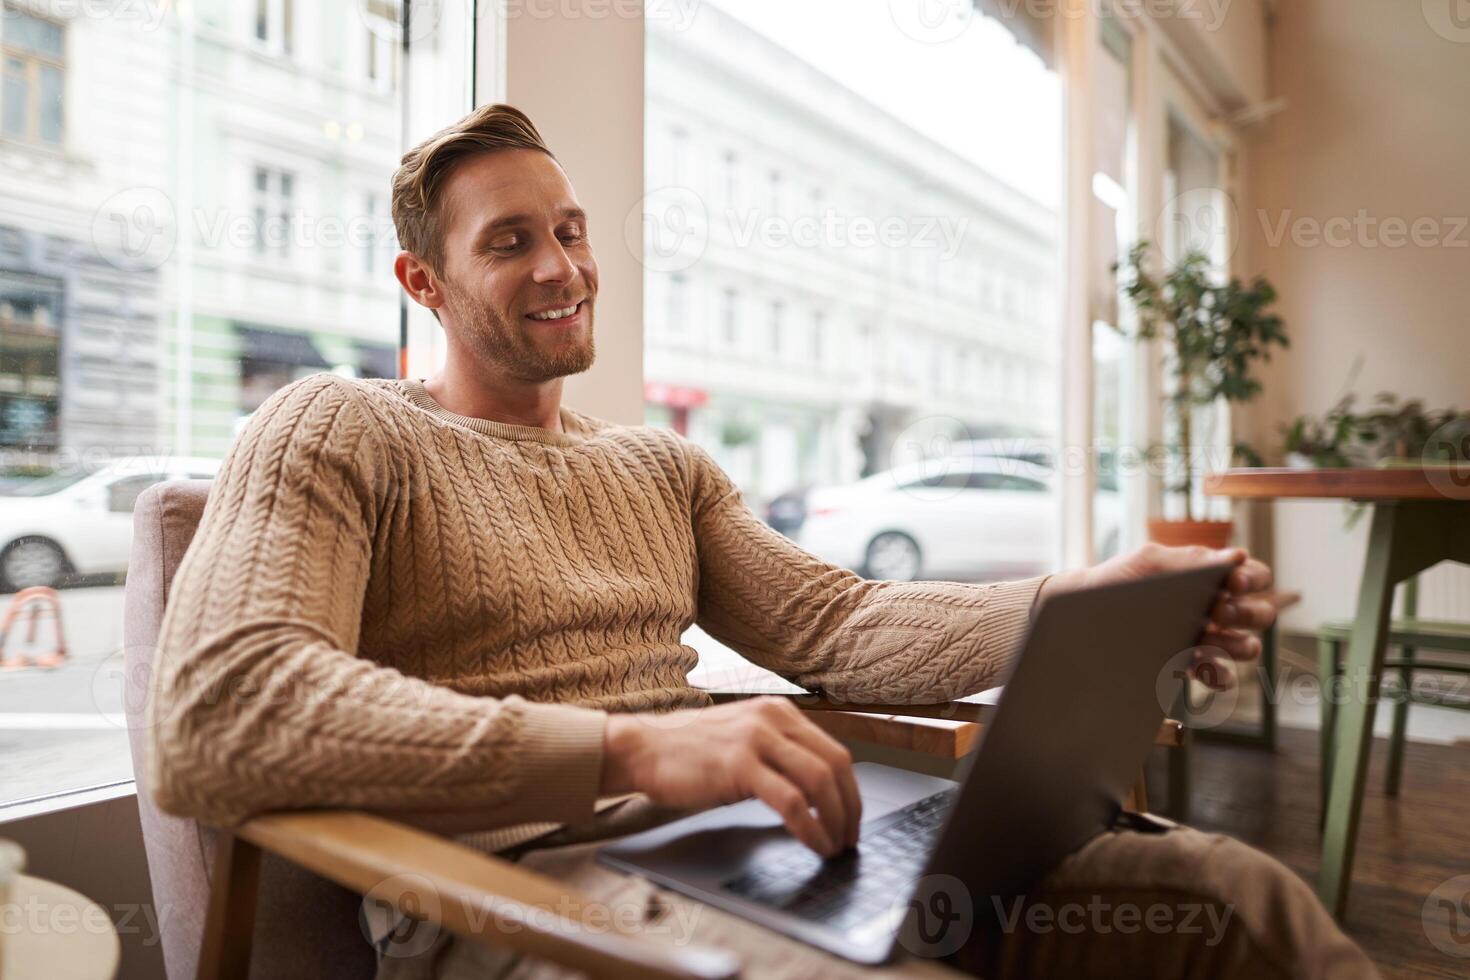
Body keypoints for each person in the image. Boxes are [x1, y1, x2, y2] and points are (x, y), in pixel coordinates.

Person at [148, 104, 1378, 979]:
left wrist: (1088, 594)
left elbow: (841, 624)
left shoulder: (658, 463)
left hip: (755, 845)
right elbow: (218, 712)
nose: (562, 264)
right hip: (528, 886)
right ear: (423, 283)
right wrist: (634, 748)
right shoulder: (338, 423)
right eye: (509, 240)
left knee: (1233, 896)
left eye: (570, 228)